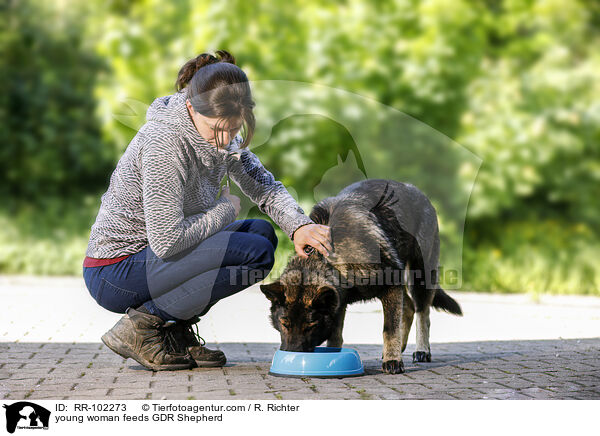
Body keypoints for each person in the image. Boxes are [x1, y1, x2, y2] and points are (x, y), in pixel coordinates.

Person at [82, 50, 333, 371]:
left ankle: (173, 331)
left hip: (155, 259)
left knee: (261, 234)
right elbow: (167, 242)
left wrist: (299, 227)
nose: (225, 140)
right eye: (217, 130)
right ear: (191, 107)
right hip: (115, 270)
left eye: (234, 129)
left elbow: (263, 185)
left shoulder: (223, 131)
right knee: (252, 252)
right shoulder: (164, 144)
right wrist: (224, 211)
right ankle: (144, 327)